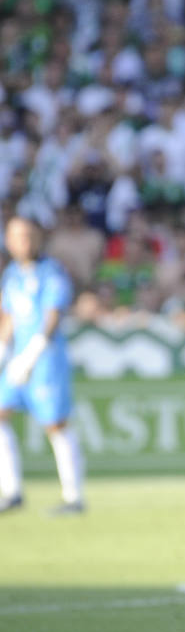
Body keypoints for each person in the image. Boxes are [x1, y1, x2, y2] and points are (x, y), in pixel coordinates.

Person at [0, 216, 86, 515]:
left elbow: (52, 316)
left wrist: (31, 354)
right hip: (16, 359)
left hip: (45, 359)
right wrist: (3, 351)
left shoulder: (51, 273)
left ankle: (73, 496)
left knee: (55, 424)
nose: (21, 242)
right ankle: (11, 491)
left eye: (27, 235)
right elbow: (8, 317)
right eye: (15, 236)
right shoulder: (11, 275)